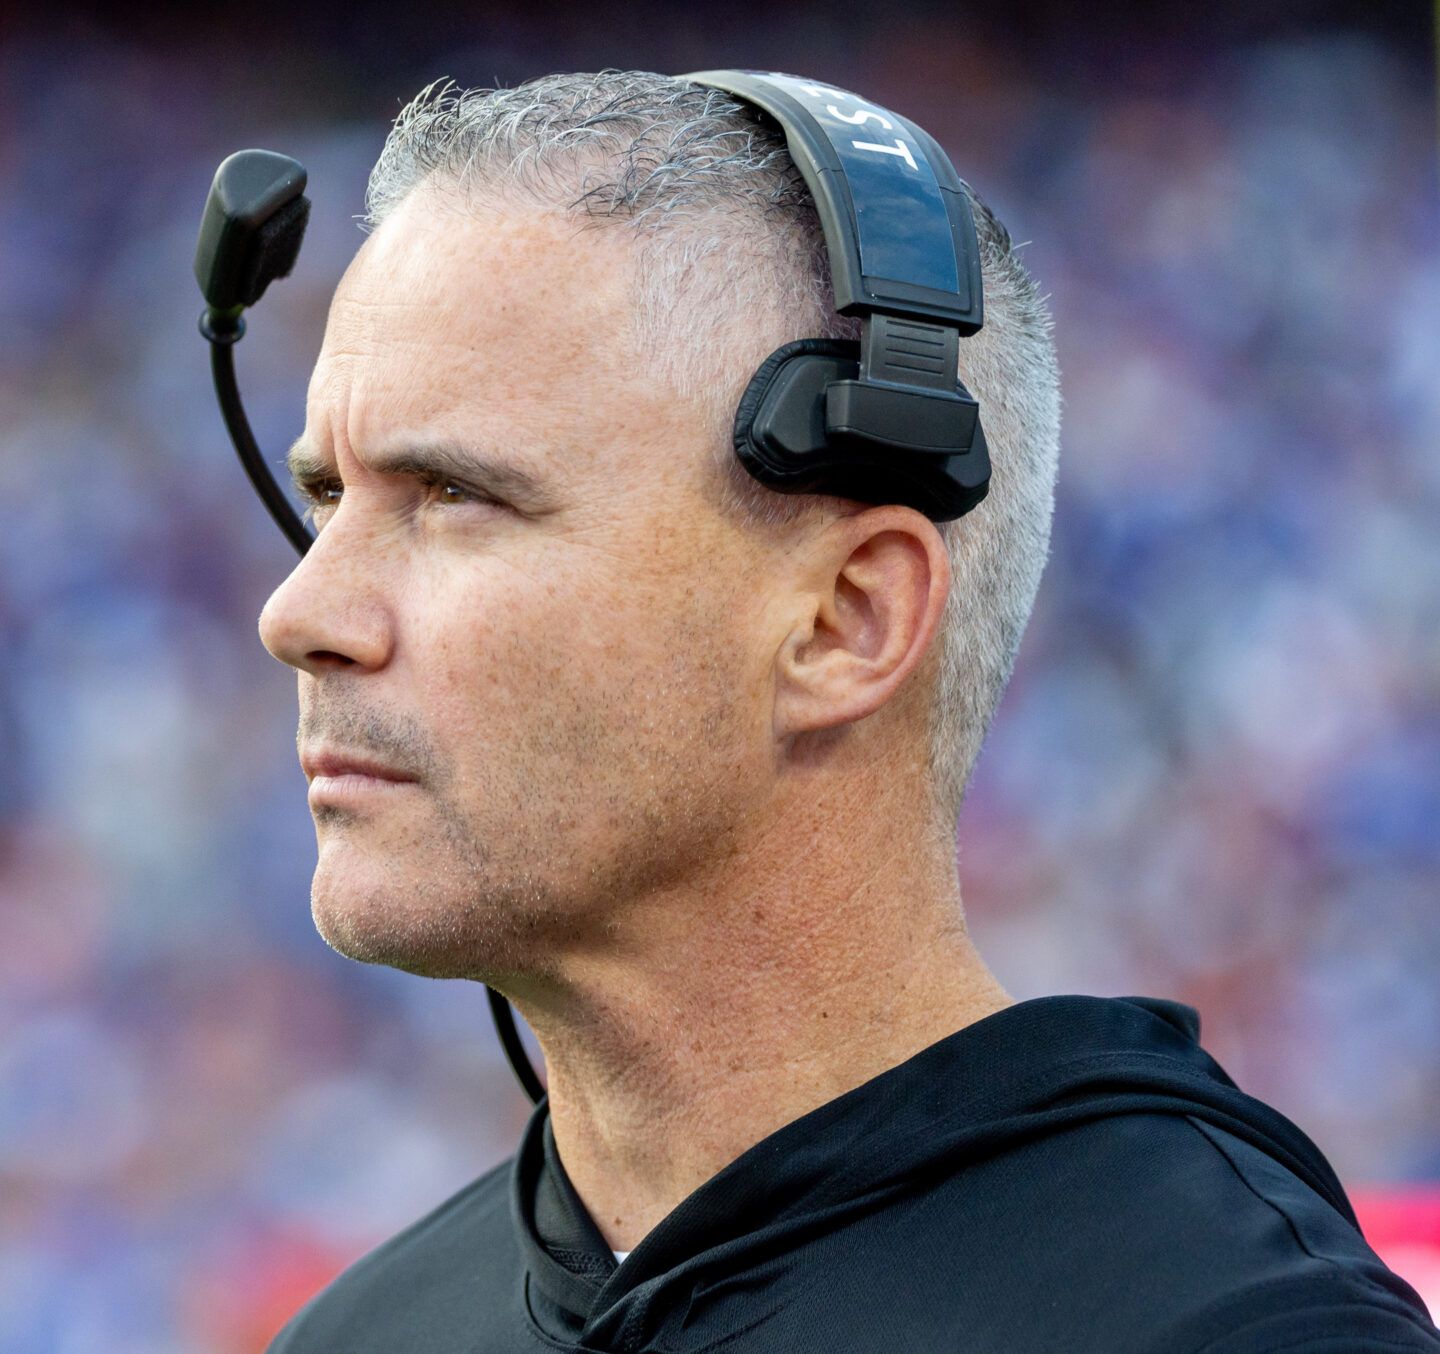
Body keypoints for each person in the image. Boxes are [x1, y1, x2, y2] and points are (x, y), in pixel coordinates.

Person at [254, 69, 1440, 1353]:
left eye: (453, 496)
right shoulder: (358, 1333)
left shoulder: (1234, 1324)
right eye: (328, 498)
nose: (299, 611)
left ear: (844, 621)